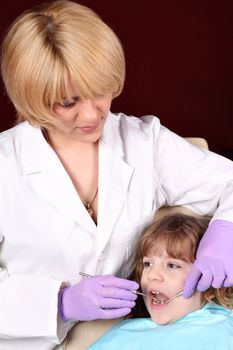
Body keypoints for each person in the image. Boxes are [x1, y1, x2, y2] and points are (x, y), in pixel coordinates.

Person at [0, 0, 233, 349]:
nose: (92, 115)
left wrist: (226, 230)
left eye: (100, 92)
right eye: (69, 102)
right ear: (33, 97)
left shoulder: (143, 142)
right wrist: (58, 303)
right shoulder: (6, 164)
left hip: (114, 337)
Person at [88, 214, 233, 349]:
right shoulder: (124, 333)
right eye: (147, 264)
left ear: (211, 281)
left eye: (172, 265)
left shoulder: (225, 329)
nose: (152, 275)